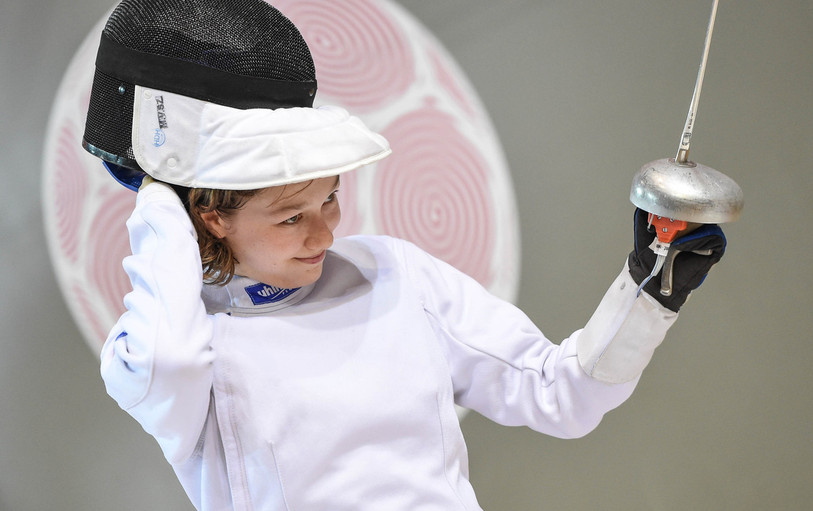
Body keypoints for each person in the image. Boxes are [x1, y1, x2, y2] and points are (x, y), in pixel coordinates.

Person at [82, 0, 726, 509]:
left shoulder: (393, 273)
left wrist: (650, 287)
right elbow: (170, 361)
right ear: (210, 215)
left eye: (329, 200)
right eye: (290, 217)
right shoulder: (162, 345)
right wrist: (160, 192)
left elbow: (563, 394)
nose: (323, 235)